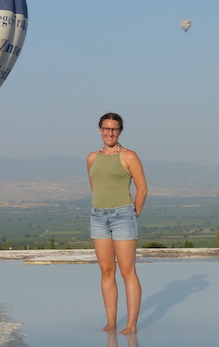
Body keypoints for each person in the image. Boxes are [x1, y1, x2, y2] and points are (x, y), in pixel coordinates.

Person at [87, 112, 147, 334]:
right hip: (98, 216)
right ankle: (111, 321)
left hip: (124, 216)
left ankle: (131, 324)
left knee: (127, 271)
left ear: (120, 131)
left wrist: (132, 215)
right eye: (105, 128)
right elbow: (96, 186)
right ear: (100, 129)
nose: (109, 133)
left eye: (114, 129)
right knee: (106, 270)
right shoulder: (92, 157)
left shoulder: (129, 156)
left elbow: (142, 189)